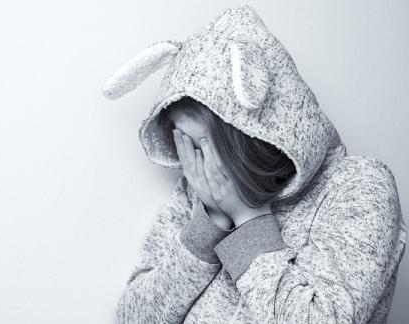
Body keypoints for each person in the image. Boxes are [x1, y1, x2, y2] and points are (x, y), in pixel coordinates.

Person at [101, 4, 406, 323]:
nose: (194, 165)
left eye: (200, 145)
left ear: (248, 134)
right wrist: (209, 225)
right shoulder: (199, 192)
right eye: (184, 145)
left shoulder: (360, 187)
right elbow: (132, 317)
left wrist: (247, 219)